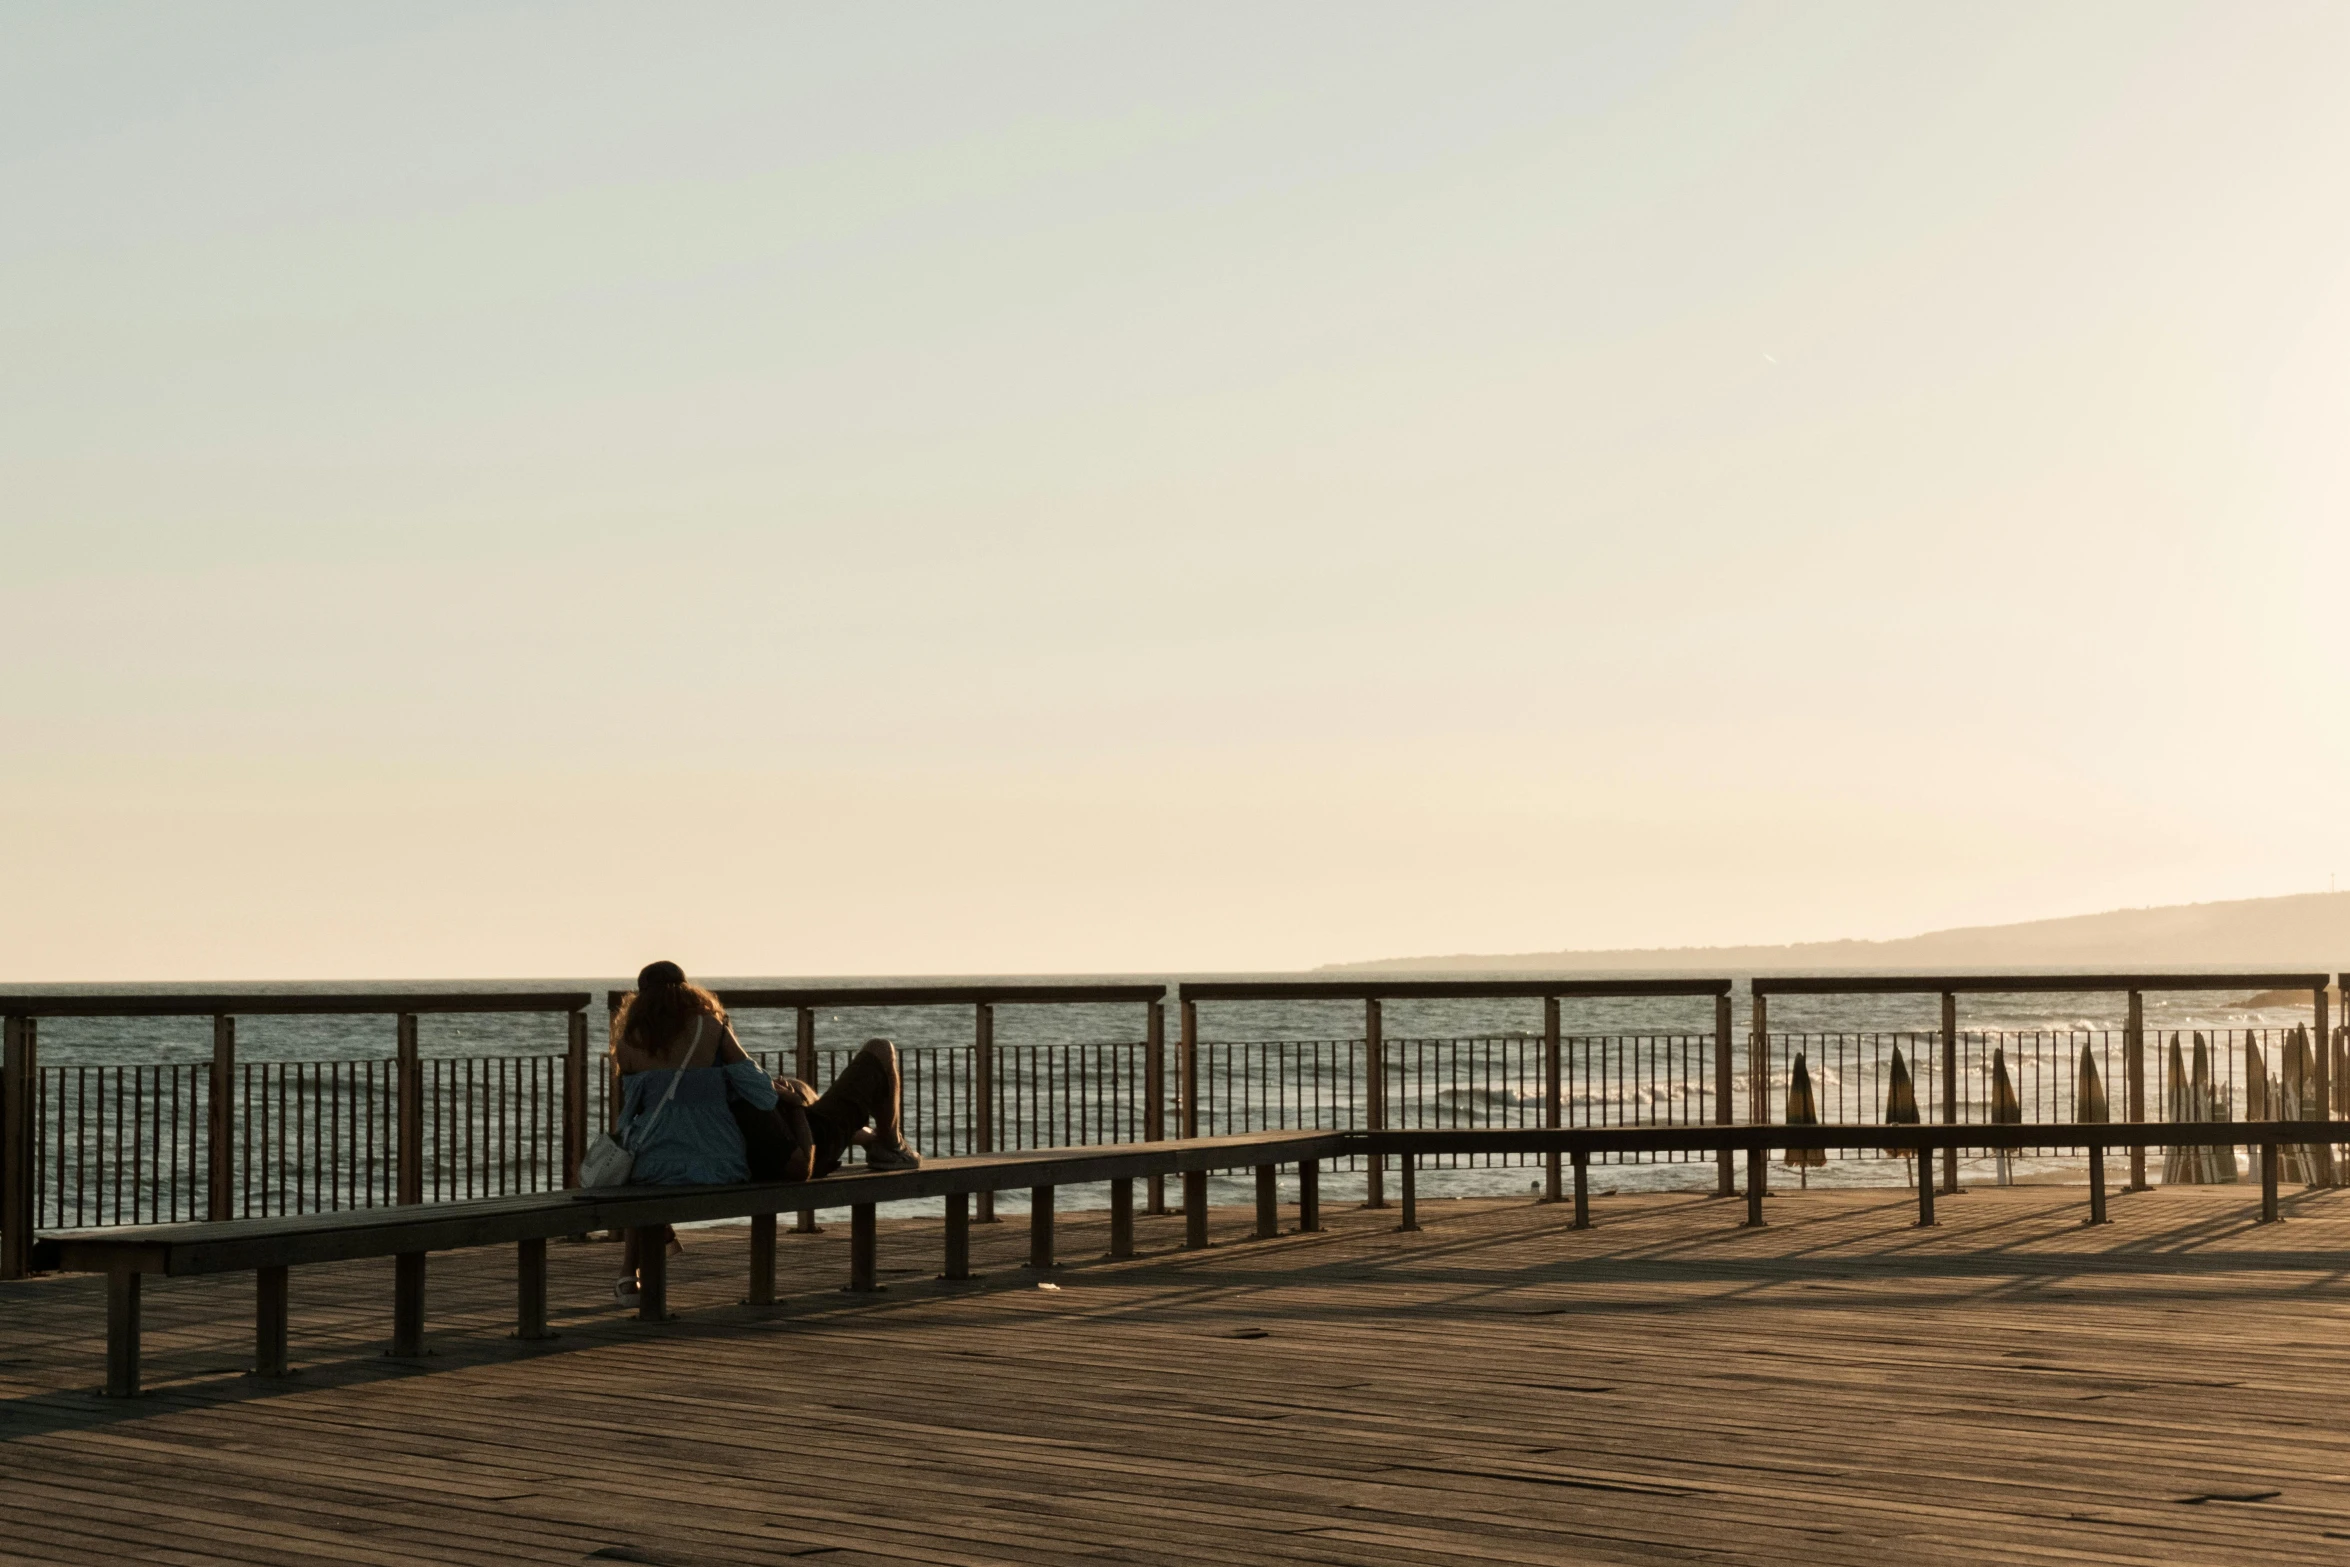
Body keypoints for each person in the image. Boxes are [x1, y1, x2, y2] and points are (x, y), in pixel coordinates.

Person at [608, 961, 920, 1305]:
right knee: (828, 1076)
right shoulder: (708, 1027)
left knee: (643, 1185)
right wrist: (785, 1096)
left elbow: (630, 1115)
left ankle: (627, 1276)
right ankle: (886, 1143)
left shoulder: (628, 1044)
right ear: (686, 991)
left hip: (654, 1166)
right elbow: (758, 1089)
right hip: (721, 1163)